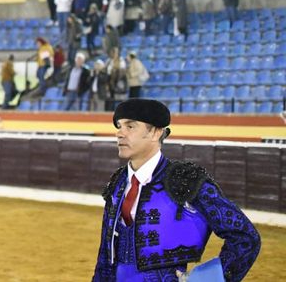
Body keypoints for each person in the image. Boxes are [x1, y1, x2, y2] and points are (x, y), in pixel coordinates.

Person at [93, 99, 260, 281]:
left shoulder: (185, 180)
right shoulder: (118, 182)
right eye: (119, 126)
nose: (119, 133)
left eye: (130, 127)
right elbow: (106, 253)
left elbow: (245, 238)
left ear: (156, 132)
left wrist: (206, 279)